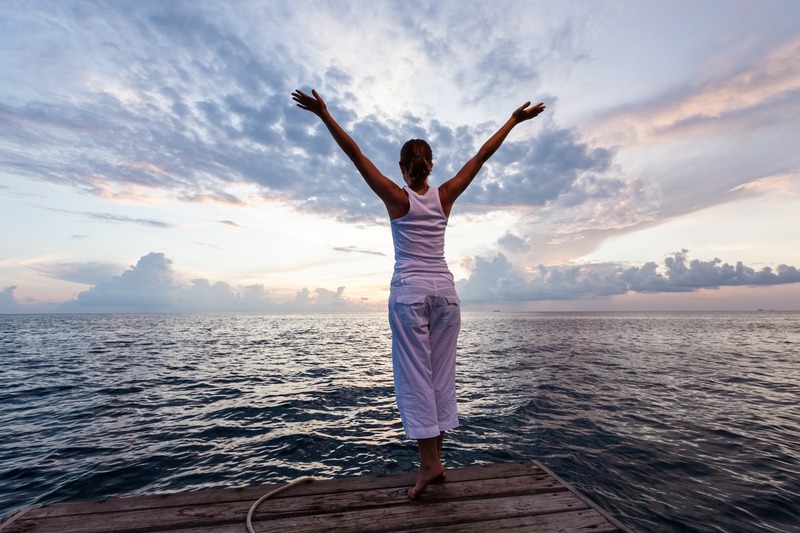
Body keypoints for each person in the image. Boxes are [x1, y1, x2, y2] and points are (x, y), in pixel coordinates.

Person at [291, 88, 545, 499]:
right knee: (440, 376)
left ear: (402, 167)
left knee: (415, 379)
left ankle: (429, 465)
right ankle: (437, 462)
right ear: (429, 166)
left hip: (410, 293)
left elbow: (355, 155)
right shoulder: (444, 196)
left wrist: (324, 114)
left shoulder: (396, 197)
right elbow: (481, 156)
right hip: (445, 293)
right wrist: (513, 121)